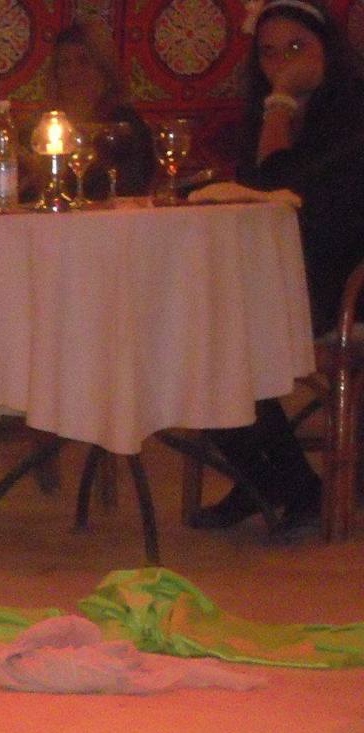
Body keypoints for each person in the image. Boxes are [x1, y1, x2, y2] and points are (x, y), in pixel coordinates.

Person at [193, 0, 364, 537]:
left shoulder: (352, 108)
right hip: (284, 271)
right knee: (182, 332)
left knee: (213, 339)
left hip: (342, 279)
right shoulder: (268, 113)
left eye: (296, 48)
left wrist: (281, 104)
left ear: (326, 48)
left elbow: (285, 187)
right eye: (269, 53)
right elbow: (254, 191)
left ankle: (281, 486)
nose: (283, 64)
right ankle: (274, 484)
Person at [42, 22, 154, 202]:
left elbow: (134, 185)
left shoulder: (126, 126)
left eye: (83, 61)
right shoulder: (46, 127)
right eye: (64, 63)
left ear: (104, 70)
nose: (73, 71)